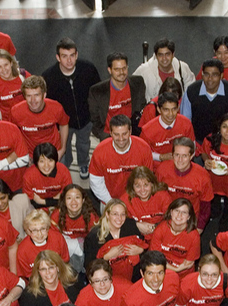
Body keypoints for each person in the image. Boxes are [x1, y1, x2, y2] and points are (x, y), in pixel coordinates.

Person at [41, 38, 101, 179]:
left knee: (84, 144)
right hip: (63, 123)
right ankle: (65, 166)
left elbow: (98, 91)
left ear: (77, 55)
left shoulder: (88, 69)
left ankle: (83, 163)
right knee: (64, 145)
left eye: (72, 55)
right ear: (58, 57)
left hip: (85, 119)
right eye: (64, 56)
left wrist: (94, 113)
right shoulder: (49, 77)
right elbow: (47, 103)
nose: (69, 60)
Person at [88, 115, 154, 205]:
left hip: (137, 200)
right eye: (116, 134)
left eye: (124, 133)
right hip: (108, 200)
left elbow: (147, 179)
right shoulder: (100, 152)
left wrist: (137, 200)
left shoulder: (144, 148)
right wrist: (111, 202)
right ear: (110, 133)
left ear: (130, 131)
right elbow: (95, 182)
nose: (121, 139)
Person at [88, 52, 146, 139]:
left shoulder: (138, 83)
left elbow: (142, 109)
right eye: (117, 69)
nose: (121, 72)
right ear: (109, 70)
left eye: (124, 68)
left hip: (132, 135)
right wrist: (106, 136)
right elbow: (94, 120)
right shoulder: (97, 91)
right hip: (109, 137)